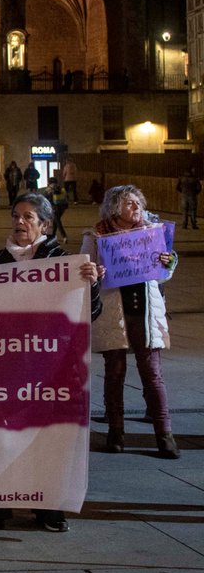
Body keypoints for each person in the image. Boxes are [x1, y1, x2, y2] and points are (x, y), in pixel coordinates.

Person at [0, 193, 102, 533]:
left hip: (52, 370)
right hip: (6, 368)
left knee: (47, 440)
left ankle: (47, 506)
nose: (20, 222)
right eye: (16, 215)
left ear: (44, 224)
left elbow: (91, 312)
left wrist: (92, 284)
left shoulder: (64, 261)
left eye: (28, 217)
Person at [81, 186, 178, 459]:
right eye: (129, 203)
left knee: (153, 375)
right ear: (114, 208)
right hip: (114, 314)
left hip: (145, 313)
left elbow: (161, 275)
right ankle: (116, 433)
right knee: (114, 374)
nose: (136, 207)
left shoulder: (153, 232)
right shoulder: (96, 236)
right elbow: (84, 270)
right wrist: (94, 272)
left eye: (138, 202)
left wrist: (168, 262)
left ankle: (164, 434)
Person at [43, 176, 70, 241]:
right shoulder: (61, 188)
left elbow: (44, 199)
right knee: (56, 220)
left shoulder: (48, 189)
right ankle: (53, 235)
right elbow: (67, 197)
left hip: (54, 207)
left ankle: (64, 236)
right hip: (62, 207)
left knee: (57, 221)